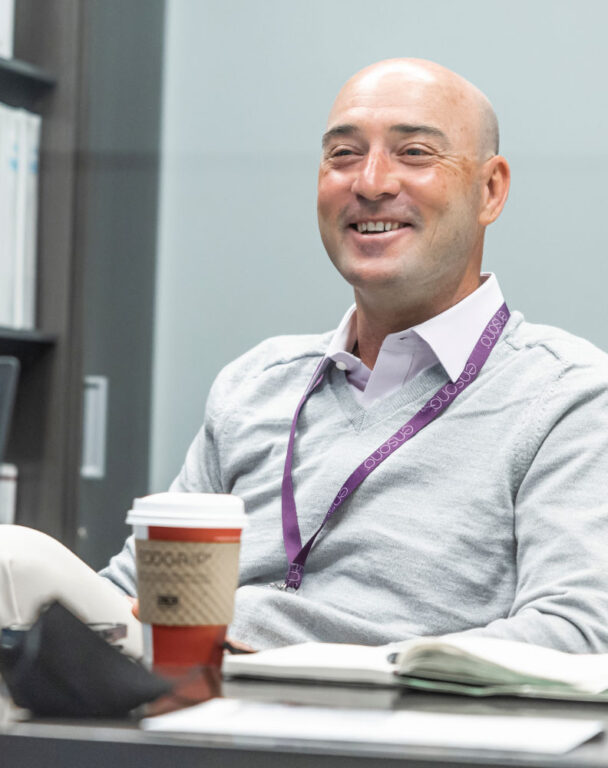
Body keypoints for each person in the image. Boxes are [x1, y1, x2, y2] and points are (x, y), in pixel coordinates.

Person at [3, 59, 608, 655]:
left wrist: (310, 668)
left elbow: (577, 633)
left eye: (415, 153)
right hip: (195, 729)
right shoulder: (254, 385)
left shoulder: (567, 397)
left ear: (490, 189)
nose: (370, 182)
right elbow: (136, 597)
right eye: (343, 154)